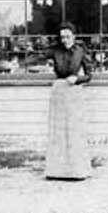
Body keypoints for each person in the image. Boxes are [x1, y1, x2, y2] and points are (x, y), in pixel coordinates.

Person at [44, 22, 93, 180]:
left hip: (74, 92)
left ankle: (77, 170)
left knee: (74, 131)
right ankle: (56, 171)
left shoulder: (81, 51)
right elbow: (37, 56)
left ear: (74, 36)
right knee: (58, 131)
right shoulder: (55, 50)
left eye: (67, 36)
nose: (65, 40)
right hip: (59, 91)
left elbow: (89, 75)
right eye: (62, 37)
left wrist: (78, 78)